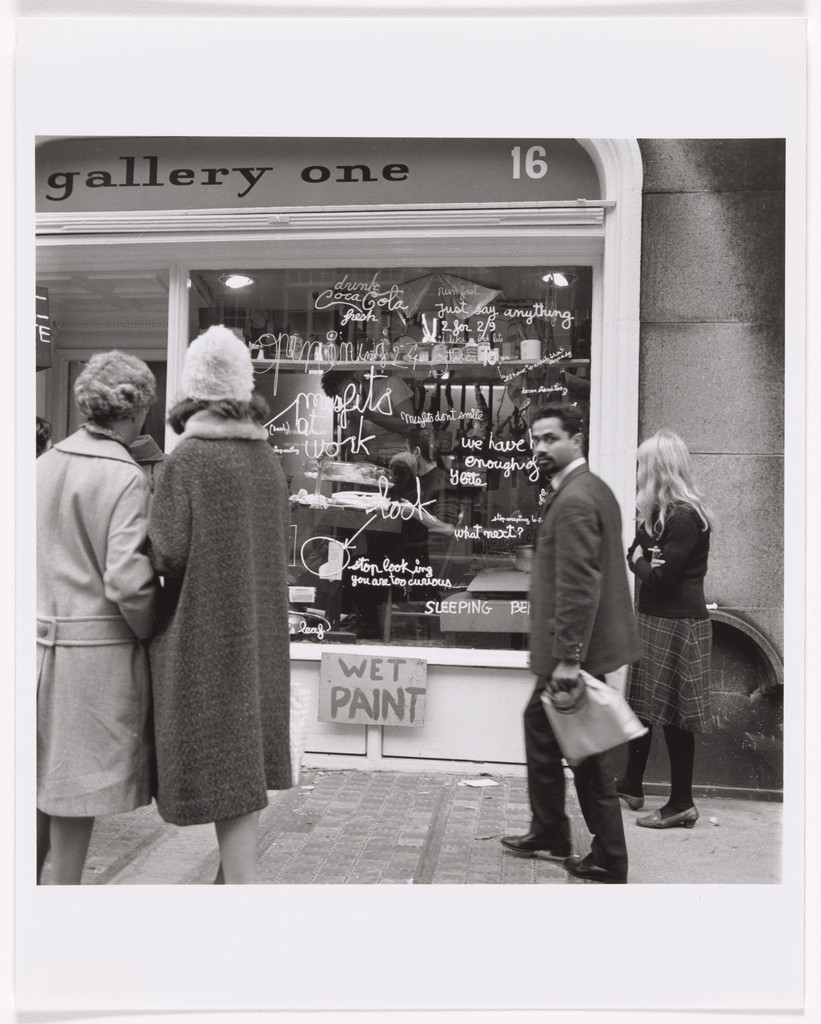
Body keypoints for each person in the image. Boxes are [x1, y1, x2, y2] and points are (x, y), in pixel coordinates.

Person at [148, 325, 292, 884]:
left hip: (204, 634)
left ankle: (239, 889)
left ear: (192, 395)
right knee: (244, 757)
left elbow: (166, 554)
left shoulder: (188, 461)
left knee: (221, 760)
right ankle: (234, 879)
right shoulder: (267, 461)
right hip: (257, 632)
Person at [501, 405, 640, 884]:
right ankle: (550, 831)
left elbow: (580, 584)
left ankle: (609, 858)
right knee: (543, 733)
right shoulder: (589, 488)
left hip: (574, 652)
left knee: (588, 754)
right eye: (535, 439)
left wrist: (567, 659)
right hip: (575, 647)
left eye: (550, 438)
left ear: (576, 440)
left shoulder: (578, 498)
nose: (539, 448)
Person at [36, 352, 158, 884]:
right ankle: (54, 939)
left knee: (29, 804)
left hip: (32, 650)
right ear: (136, 411)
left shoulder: (40, 466)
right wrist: (151, 627)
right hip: (93, 664)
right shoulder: (124, 475)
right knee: (71, 814)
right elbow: (127, 582)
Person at [616, 429, 713, 829]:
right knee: (643, 707)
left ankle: (681, 803)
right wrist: (640, 552)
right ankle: (632, 784)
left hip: (679, 623)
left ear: (658, 469)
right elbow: (643, 556)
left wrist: (635, 563)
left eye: (643, 464)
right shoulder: (661, 514)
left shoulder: (685, 517)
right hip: (657, 619)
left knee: (674, 715)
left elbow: (660, 579)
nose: (637, 471)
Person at [320, 367, 415, 465]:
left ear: (355, 376)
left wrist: (369, 415)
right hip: (368, 463)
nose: (348, 399)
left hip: (399, 461)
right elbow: (353, 449)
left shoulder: (391, 385)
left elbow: (410, 426)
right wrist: (353, 422)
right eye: (341, 396)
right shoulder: (348, 406)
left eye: (349, 392)